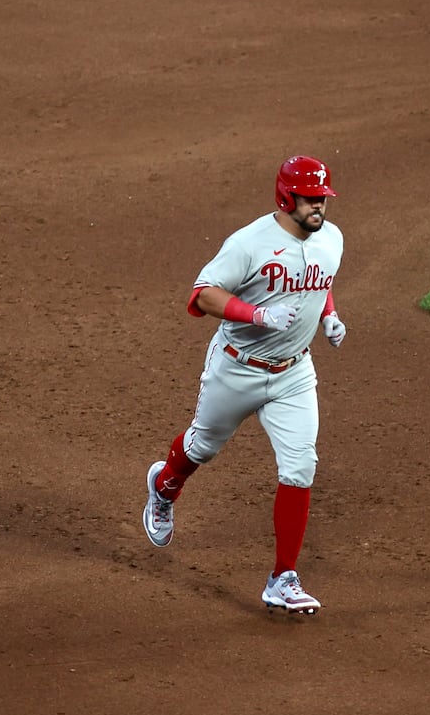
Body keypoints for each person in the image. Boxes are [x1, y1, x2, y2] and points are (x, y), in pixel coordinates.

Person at [142, 155, 348, 615]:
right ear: (285, 197)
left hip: (294, 374)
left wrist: (330, 316)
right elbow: (202, 294)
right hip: (237, 368)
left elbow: (321, 281)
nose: (319, 208)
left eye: (323, 199)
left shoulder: (330, 239)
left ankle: (283, 578)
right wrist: (255, 314)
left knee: (301, 467)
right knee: (201, 447)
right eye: (311, 200)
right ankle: (165, 488)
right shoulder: (250, 244)